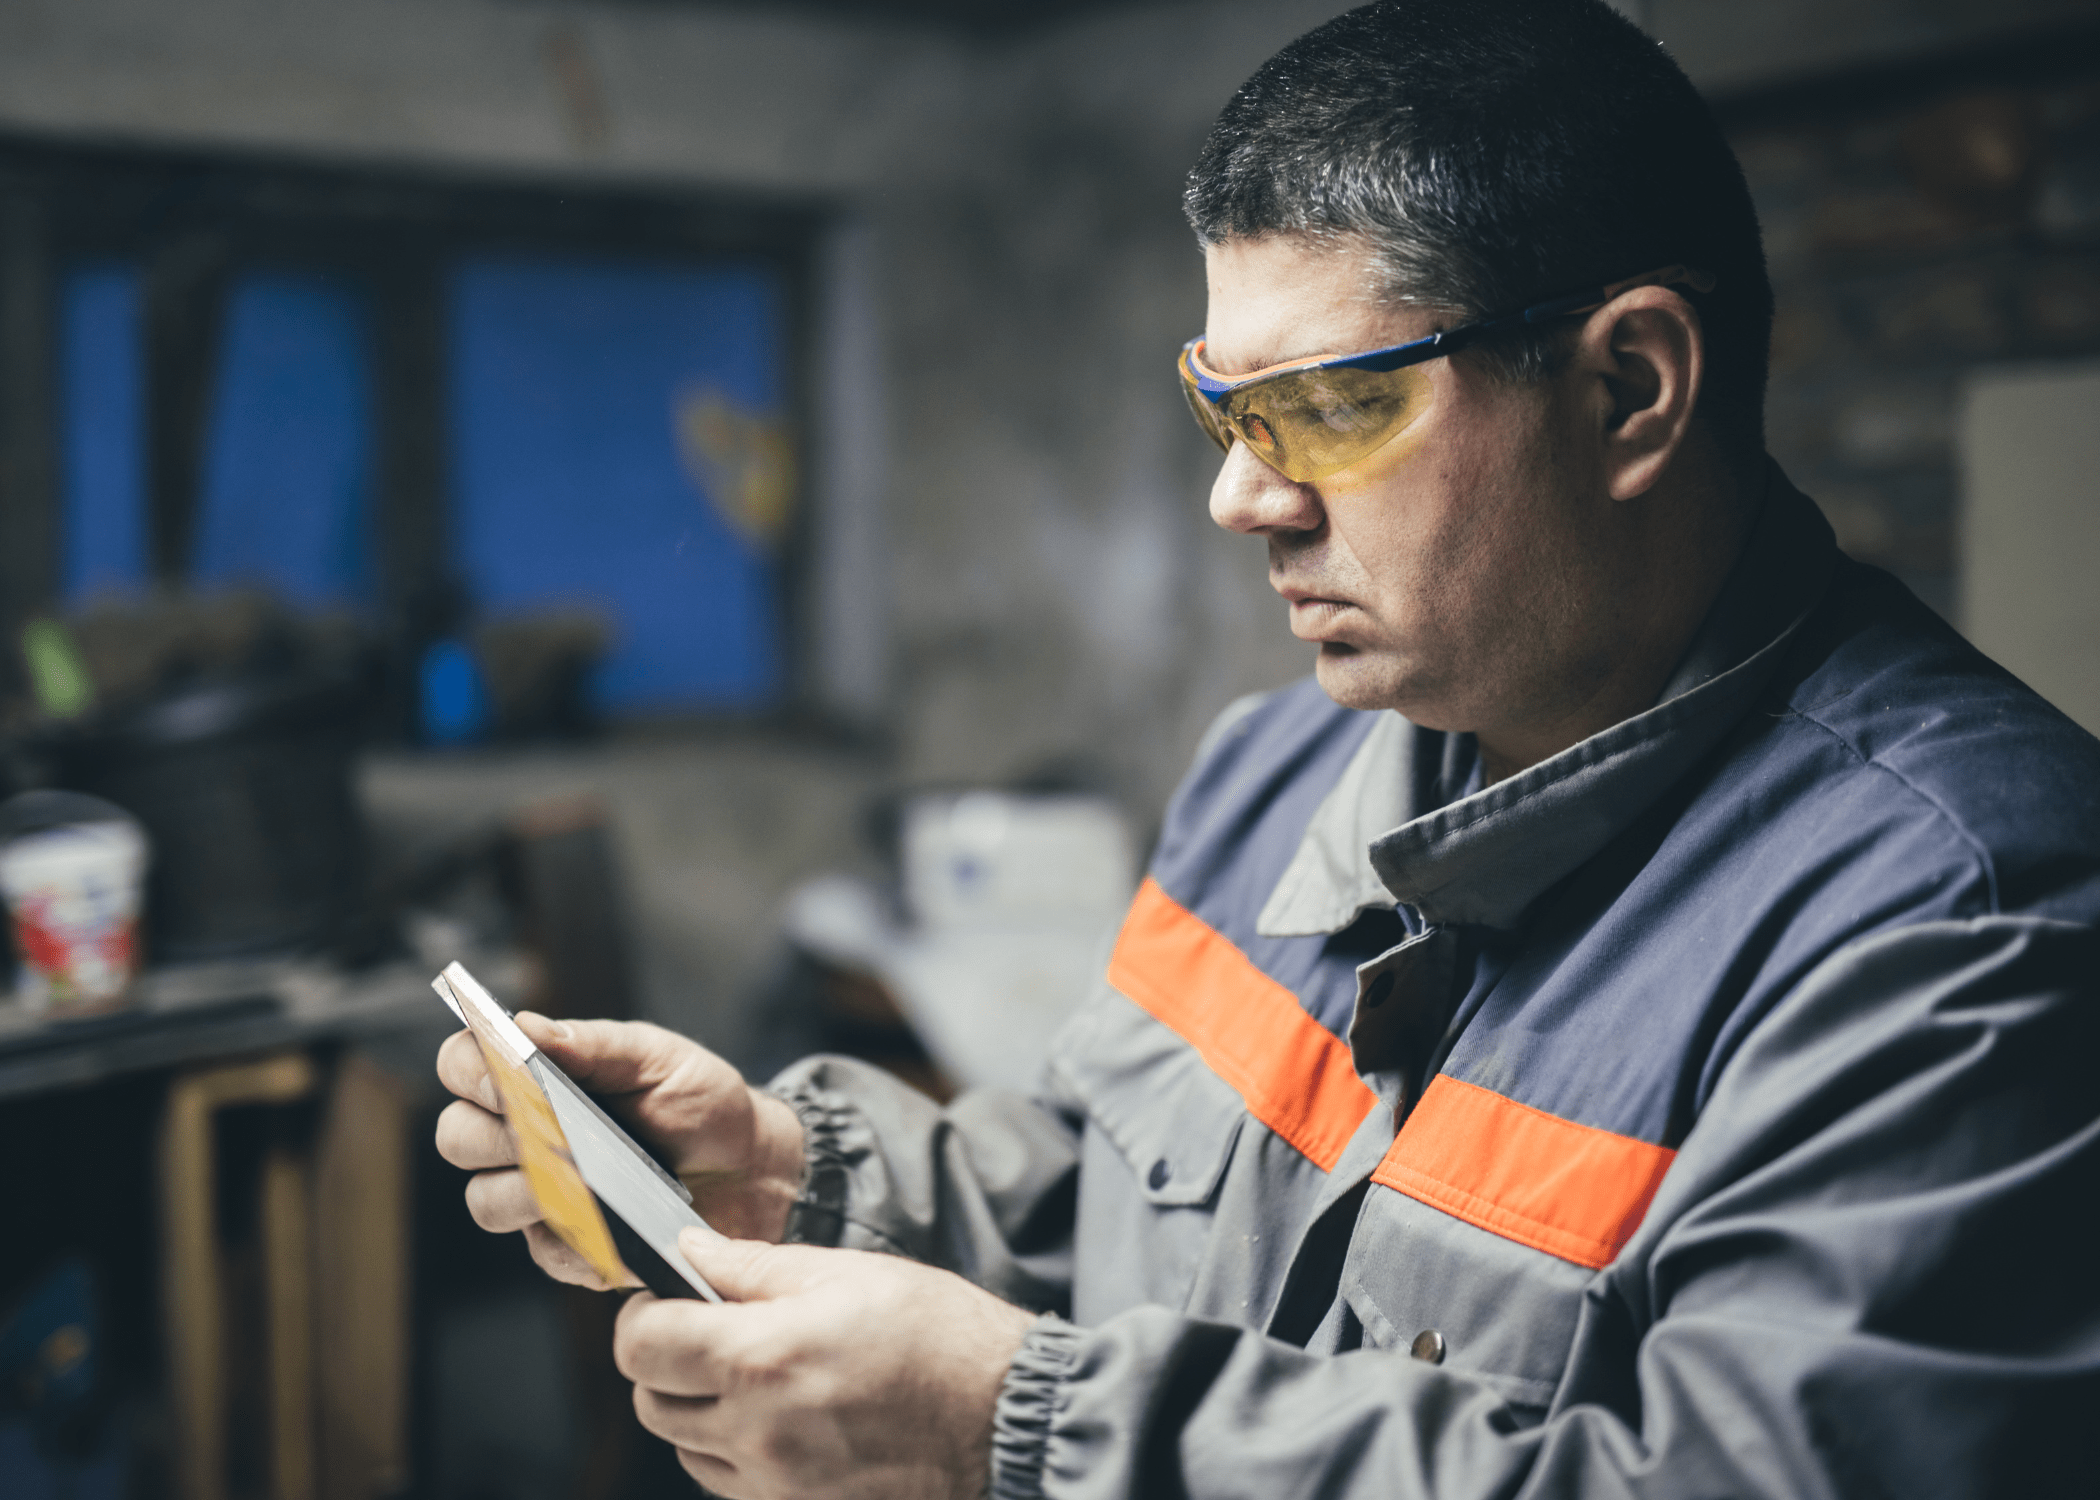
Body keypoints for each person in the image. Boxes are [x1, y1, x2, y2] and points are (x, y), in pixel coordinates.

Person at [435, 2, 2100, 1495]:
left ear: (1630, 391)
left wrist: (1012, 1429)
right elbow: (1104, 1195)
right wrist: (794, 1175)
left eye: (1333, 408)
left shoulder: (1965, 923)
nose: (1242, 497)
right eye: (1225, 410)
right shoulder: (1276, 767)